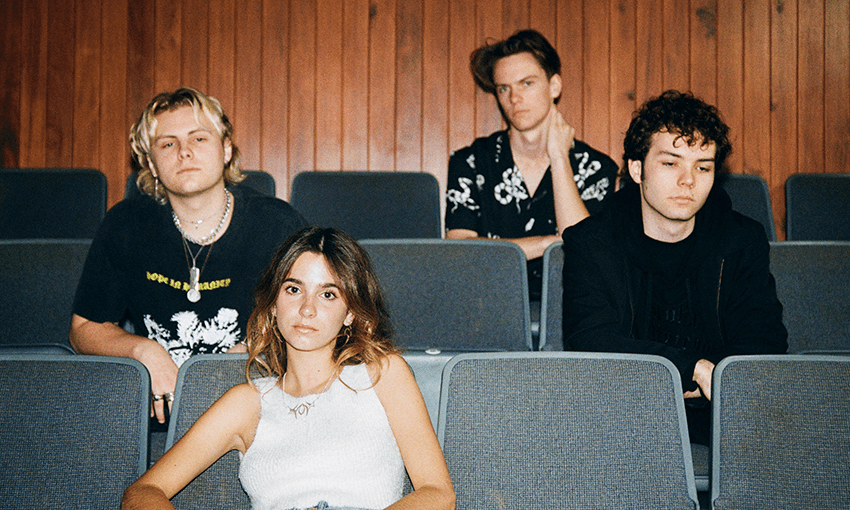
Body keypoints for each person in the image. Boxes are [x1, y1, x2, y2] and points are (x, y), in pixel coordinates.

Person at [121, 227, 456, 510]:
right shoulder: (247, 403)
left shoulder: (383, 374)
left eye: (328, 294)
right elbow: (142, 493)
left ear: (351, 313)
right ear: (273, 304)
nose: (307, 309)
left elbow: (438, 494)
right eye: (294, 289)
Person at [561, 90, 787, 445]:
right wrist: (691, 368)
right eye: (670, 163)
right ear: (637, 169)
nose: (688, 180)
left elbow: (764, 341)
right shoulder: (591, 243)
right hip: (622, 419)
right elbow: (591, 342)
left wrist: (710, 377)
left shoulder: (741, 240)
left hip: (724, 420)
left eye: (703, 167)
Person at [70, 87, 307, 424]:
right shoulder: (125, 225)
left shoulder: (278, 224)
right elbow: (84, 327)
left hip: (258, 409)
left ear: (226, 149)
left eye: (198, 138)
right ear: (151, 163)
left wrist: (257, 348)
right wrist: (143, 350)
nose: (184, 152)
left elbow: (316, 314)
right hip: (160, 416)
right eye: (168, 144)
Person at [445, 29, 618, 299]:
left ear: (554, 86)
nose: (514, 98)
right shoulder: (471, 161)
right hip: (488, 304)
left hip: (569, 307)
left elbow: (585, 252)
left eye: (527, 83)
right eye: (504, 88)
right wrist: (547, 244)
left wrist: (559, 158)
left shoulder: (596, 167)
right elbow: (459, 250)